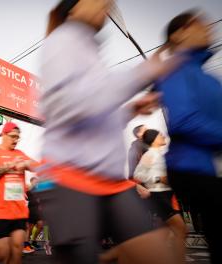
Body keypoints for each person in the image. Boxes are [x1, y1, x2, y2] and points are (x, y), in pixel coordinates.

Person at [37, 0, 182, 263]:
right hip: (69, 179)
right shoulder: (62, 41)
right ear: (74, 8)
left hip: (112, 184)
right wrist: (143, 73)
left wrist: (129, 110)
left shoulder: (91, 50)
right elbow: (71, 107)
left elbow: (96, 113)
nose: (107, 4)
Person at [156, 10, 222, 263]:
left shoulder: (211, 79)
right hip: (191, 168)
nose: (208, 27)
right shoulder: (175, 69)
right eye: (198, 22)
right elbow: (183, 120)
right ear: (179, 33)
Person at [0, 122, 37, 264]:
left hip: (18, 211)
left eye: (18, 137)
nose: (15, 140)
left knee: (17, 249)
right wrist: (6, 168)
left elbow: (38, 165)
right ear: (3, 135)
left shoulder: (19, 154)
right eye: (12, 136)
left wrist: (26, 164)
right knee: (2, 251)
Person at [134, 129, 187, 263]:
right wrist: (158, 179)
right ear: (153, 139)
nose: (163, 136)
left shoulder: (160, 154)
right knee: (181, 230)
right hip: (158, 195)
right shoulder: (150, 154)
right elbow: (138, 175)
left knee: (162, 235)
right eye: (159, 135)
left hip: (167, 194)